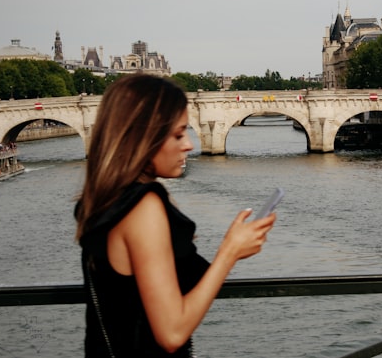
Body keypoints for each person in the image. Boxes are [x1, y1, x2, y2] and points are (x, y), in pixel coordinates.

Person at [74, 74, 276, 357]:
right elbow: (172, 332)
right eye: (179, 134)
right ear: (144, 136)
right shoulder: (143, 207)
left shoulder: (106, 201)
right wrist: (229, 253)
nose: (189, 145)